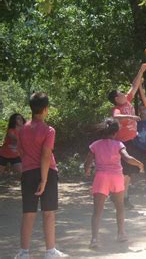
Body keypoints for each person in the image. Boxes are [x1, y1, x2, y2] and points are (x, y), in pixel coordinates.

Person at [15, 93, 68, 259]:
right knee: (48, 212)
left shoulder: (22, 130)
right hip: (48, 173)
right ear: (46, 109)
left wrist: (30, 164)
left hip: (28, 173)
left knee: (28, 213)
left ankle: (24, 253)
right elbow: (46, 154)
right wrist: (44, 179)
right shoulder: (49, 130)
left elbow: (20, 151)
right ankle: (50, 251)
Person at [84, 118, 144, 249]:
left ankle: (94, 239)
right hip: (116, 177)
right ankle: (121, 233)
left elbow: (88, 161)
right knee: (120, 207)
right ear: (116, 132)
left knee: (97, 211)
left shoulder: (95, 144)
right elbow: (127, 158)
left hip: (101, 177)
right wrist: (139, 164)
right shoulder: (119, 144)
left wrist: (87, 170)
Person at [108, 62, 146, 209]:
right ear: (116, 99)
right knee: (126, 173)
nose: (123, 94)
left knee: (129, 173)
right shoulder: (117, 109)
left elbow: (135, 85)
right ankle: (122, 198)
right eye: (120, 94)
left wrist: (141, 70)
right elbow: (117, 117)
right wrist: (131, 117)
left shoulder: (127, 101)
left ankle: (120, 196)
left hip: (132, 142)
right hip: (123, 144)